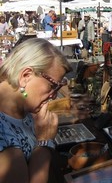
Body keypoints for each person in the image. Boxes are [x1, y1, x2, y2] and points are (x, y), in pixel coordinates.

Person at [0, 38, 72, 182]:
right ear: (26, 76)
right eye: (52, 86)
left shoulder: (23, 109)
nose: (54, 95)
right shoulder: (2, 132)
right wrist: (44, 142)